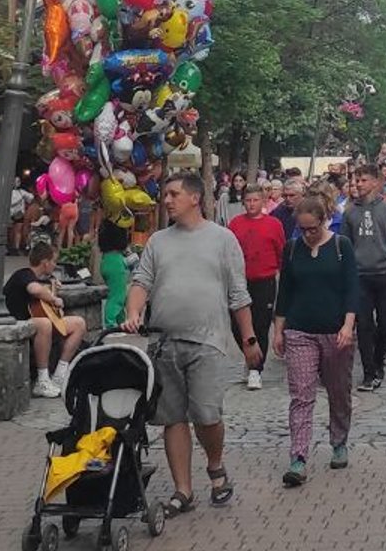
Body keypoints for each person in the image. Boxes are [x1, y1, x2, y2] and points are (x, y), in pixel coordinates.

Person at [122, 174, 263, 516]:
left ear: (195, 198)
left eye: (173, 194)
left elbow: (238, 295)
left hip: (209, 341)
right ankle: (183, 490)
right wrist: (133, 311)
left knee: (207, 415)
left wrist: (249, 340)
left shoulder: (223, 239)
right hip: (164, 341)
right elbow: (142, 281)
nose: (166, 200)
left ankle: (215, 466)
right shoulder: (158, 241)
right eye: (165, 194)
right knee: (173, 418)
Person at [275, 193, 360, 487]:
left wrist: (348, 325)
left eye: (313, 228)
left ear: (324, 220)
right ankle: (298, 457)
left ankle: (338, 440)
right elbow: (284, 290)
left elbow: (352, 289)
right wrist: (279, 328)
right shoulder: (292, 248)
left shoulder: (341, 246)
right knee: (301, 396)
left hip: (335, 330)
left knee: (338, 391)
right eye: (303, 229)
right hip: (299, 330)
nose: (308, 234)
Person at [344, 164, 386, 389]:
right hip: (360, 275)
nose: (359, 184)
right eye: (356, 180)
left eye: (363, 180)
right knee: (365, 325)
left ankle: (379, 361)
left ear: (376, 182)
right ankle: (369, 372)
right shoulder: (350, 212)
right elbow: (346, 245)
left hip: (384, 274)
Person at [4, 242, 86, 397]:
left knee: (78, 323)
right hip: (16, 321)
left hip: (32, 320)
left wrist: (52, 290)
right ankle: (42, 380)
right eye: (53, 261)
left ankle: (59, 375)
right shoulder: (24, 274)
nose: (55, 265)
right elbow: (34, 290)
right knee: (44, 324)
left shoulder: (41, 280)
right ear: (45, 262)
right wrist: (54, 299)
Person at [228, 186, 288, 390]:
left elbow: (281, 250)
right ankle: (249, 355)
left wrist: (281, 274)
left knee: (261, 324)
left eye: (255, 200)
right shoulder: (235, 224)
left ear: (263, 201)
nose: (251, 204)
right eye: (248, 200)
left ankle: (256, 369)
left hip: (264, 280)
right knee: (237, 325)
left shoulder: (274, 224)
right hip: (239, 281)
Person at [98, 220, 131, 329]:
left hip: (107, 259)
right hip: (115, 263)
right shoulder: (118, 225)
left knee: (118, 294)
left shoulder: (106, 225)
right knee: (118, 296)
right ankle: (110, 323)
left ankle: (120, 321)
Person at [9, 177, 32, 254]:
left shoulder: (21, 192)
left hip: (18, 214)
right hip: (11, 214)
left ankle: (16, 247)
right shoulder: (9, 192)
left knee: (18, 231)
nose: (16, 183)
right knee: (11, 231)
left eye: (18, 181)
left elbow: (30, 197)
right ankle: (12, 246)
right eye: (15, 181)